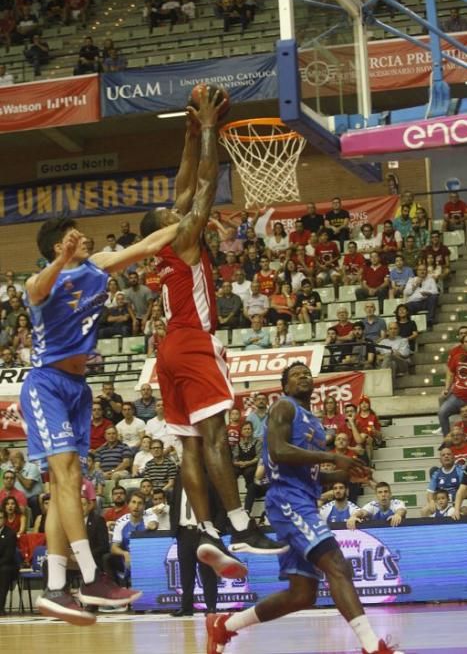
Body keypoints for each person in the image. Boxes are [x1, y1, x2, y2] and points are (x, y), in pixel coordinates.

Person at [140, 88, 286, 579]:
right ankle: (242, 525)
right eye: (169, 215)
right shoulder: (182, 239)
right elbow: (203, 185)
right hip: (194, 340)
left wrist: (186, 132)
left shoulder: (162, 246)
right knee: (217, 437)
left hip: (167, 353)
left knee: (189, 446)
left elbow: (182, 183)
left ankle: (205, 528)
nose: (176, 211)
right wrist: (208, 129)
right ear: (165, 227)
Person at [18, 215, 178, 624]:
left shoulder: (98, 265)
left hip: (78, 388)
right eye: (73, 238)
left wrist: (194, 219)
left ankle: (56, 588)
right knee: (69, 479)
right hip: (46, 384)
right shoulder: (44, 282)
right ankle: (90, 576)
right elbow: (35, 289)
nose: (83, 239)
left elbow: (146, 246)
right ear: (58, 247)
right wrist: (62, 260)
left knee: (63, 485)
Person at [206, 362, 402, 654]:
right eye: (295, 374)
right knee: (337, 565)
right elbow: (278, 451)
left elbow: (310, 473)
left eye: (306, 373)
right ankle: (373, 647)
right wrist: (333, 457)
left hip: (302, 498)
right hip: (286, 499)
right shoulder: (284, 408)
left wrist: (342, 475)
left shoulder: (313, 420)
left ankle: (225, 626)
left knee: (302, 594)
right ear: (285, 386)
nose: (303, 376)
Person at [170, 474, 219, 616]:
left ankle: (211, 607)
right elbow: (174, 504)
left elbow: (219, 506)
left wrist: (218, 528)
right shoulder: (179, 479)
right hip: (183, 532)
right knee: (186, 574)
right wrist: (174, 528)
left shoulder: (208, 480)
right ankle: (186, 607)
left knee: (208, 572)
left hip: (203, 532)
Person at [420, 448, 463, 517]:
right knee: (424, 511)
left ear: (453, 457)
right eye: (443, 455)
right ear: (440, 460)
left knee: (465, 510)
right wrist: (431, 501)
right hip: (441, 502)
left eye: (448, 454)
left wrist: (457, 505)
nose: (446, 456)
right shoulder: (436, 474)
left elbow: (463, 489)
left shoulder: (460, 471)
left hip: (457, 502)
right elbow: (430, 492)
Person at [403, 262, 439, 329]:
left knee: (434, 297)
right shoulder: (412, 280)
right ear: (417, 271)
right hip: (414, 303)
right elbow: (406, 292)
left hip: (426, 301)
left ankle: (430, 320)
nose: (422, 271)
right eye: (420, 270)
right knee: (407, 306)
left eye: (424, 270)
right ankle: (411, 326)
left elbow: (435, 291)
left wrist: (428, 293)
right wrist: (415, 286)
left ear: (426, 271)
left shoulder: (430, 280)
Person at [0, 506, 17, 616]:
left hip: (6, 565)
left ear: (4, 519)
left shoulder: (10, 533)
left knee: (4, 571)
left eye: (0, 518)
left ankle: (0, 607)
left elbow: (9, 555)